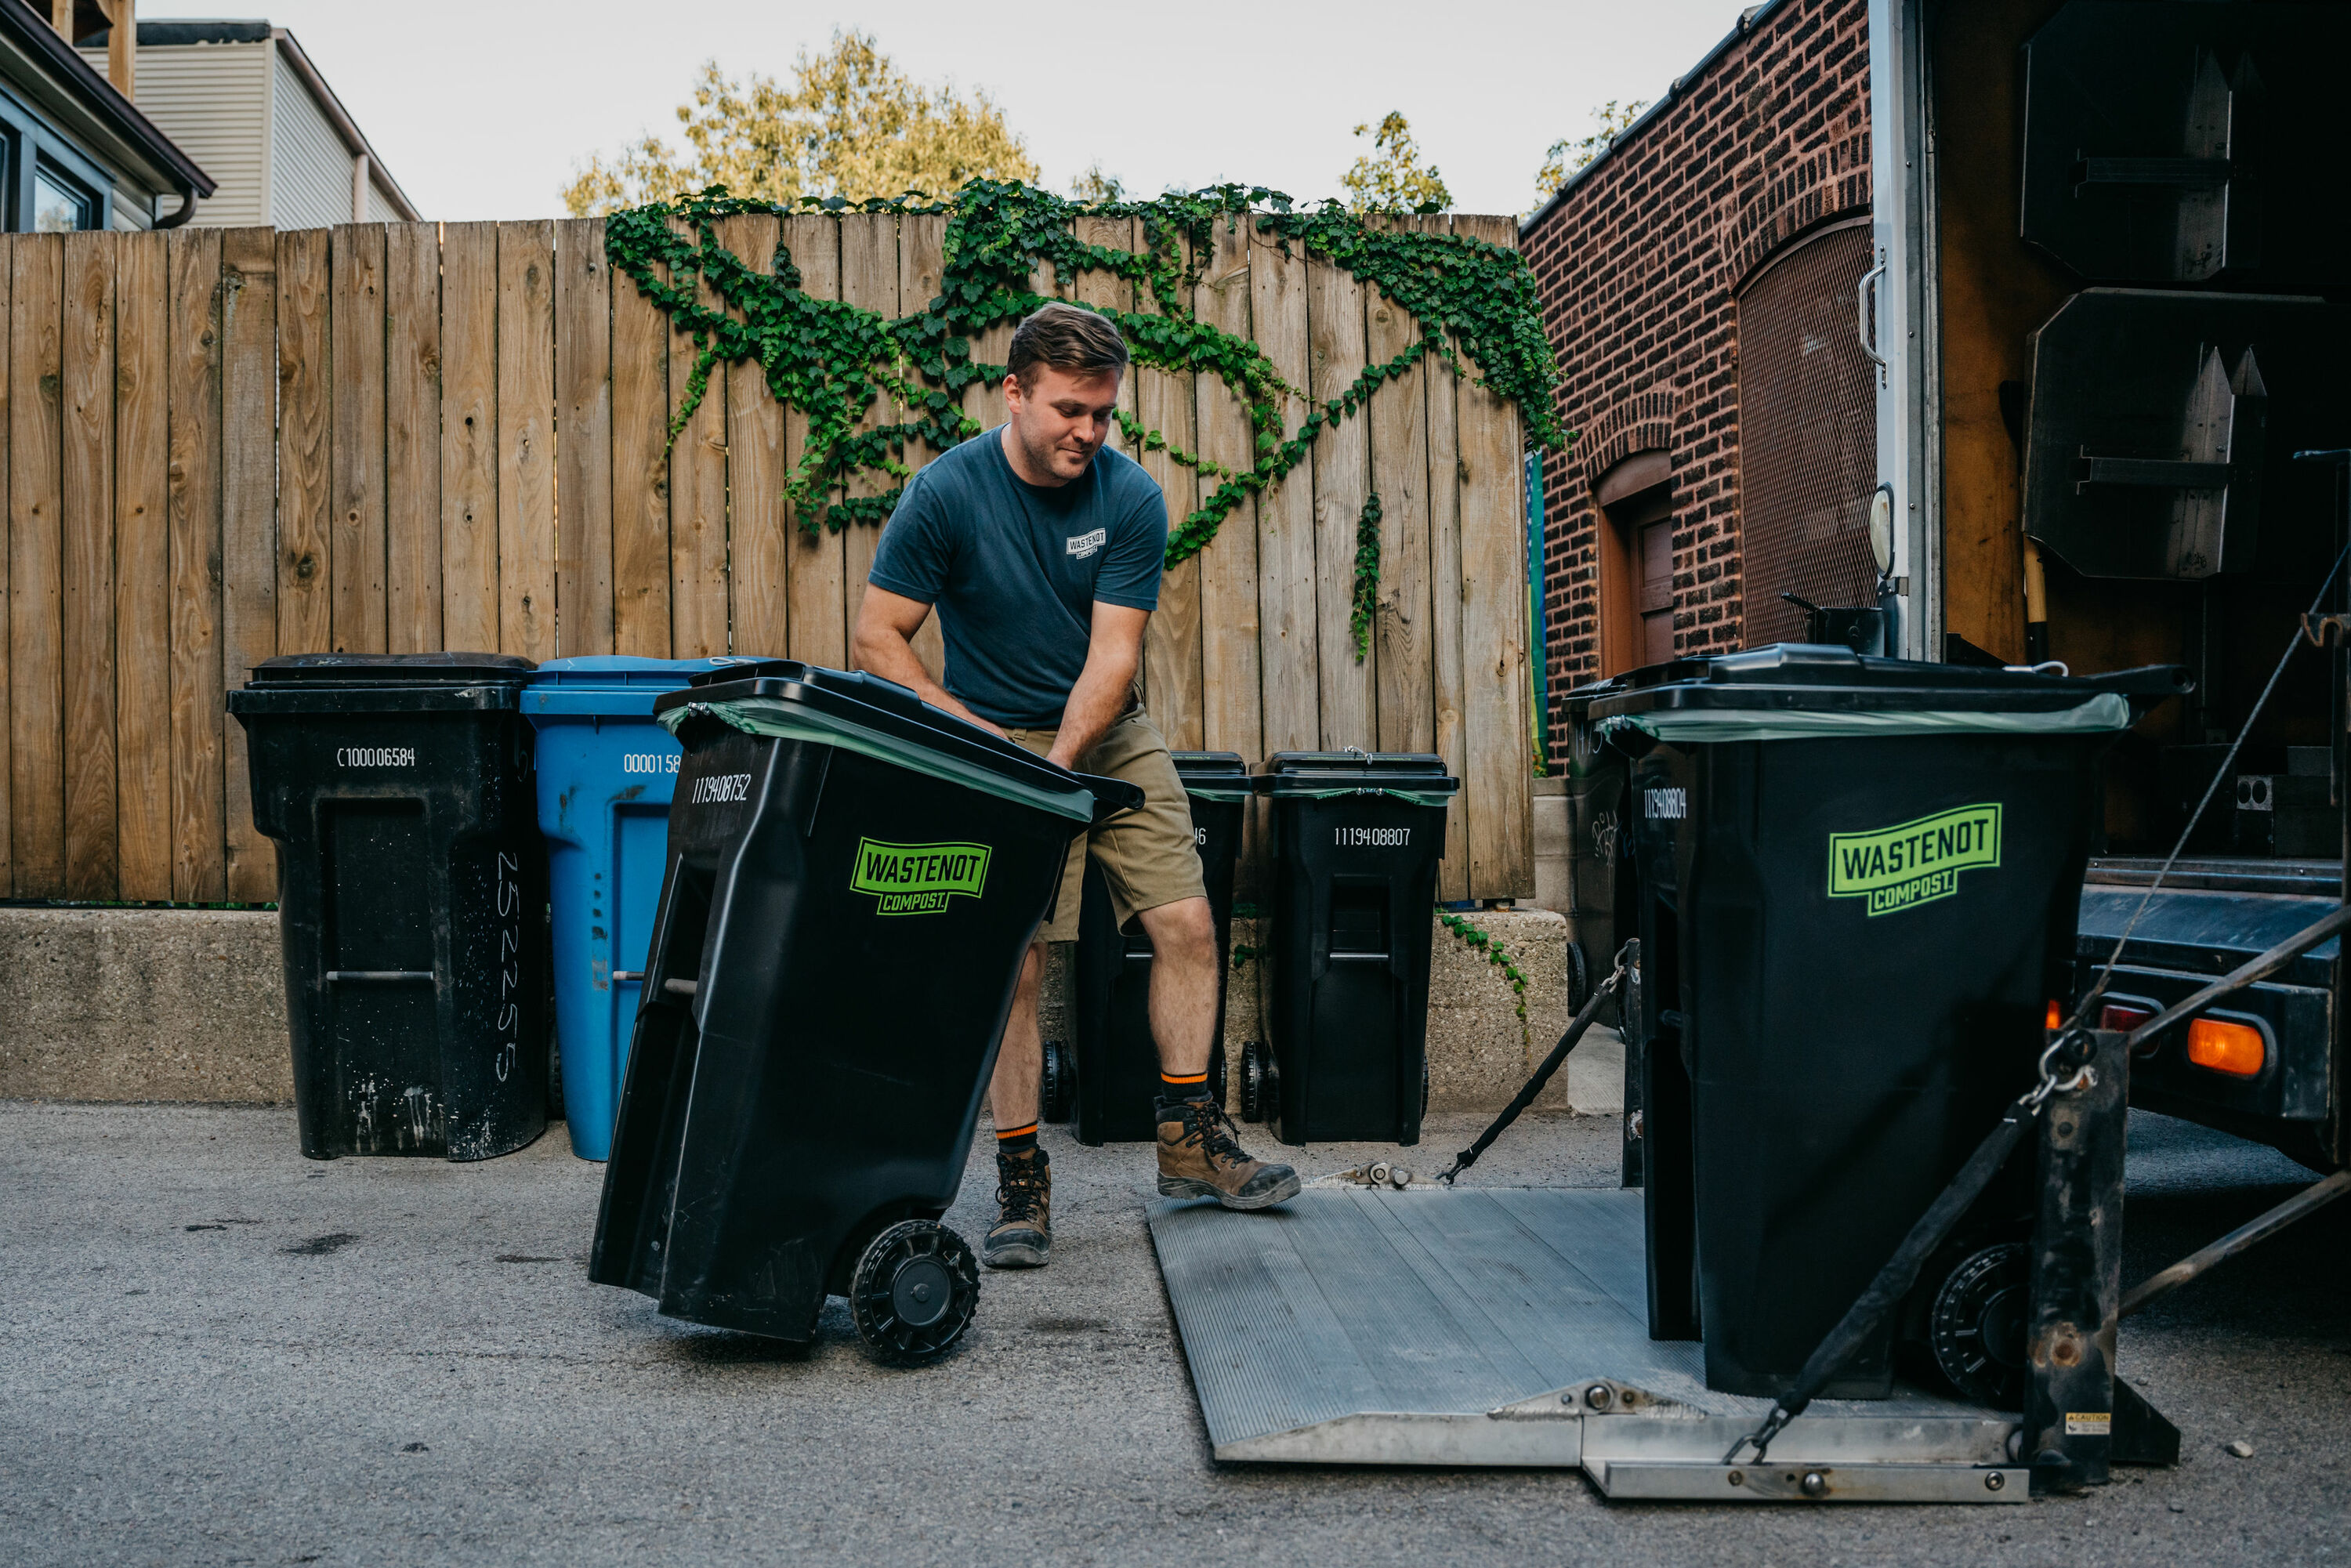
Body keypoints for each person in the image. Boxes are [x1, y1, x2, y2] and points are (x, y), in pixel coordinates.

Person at [853, 302, 1300, 1269]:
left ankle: (1189, 1139)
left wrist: (1055, 773)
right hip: (991, 737)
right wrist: (978, 744)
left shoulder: (1130, 499)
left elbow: (1113, 660)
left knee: (1185, 925)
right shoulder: (946, 496)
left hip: (1103, 737)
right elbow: (877, 635)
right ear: (1012, 393)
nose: (1089, 434)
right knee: (1017, 964)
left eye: (1104, 414)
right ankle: (1021, 1181)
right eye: (1069, 411)